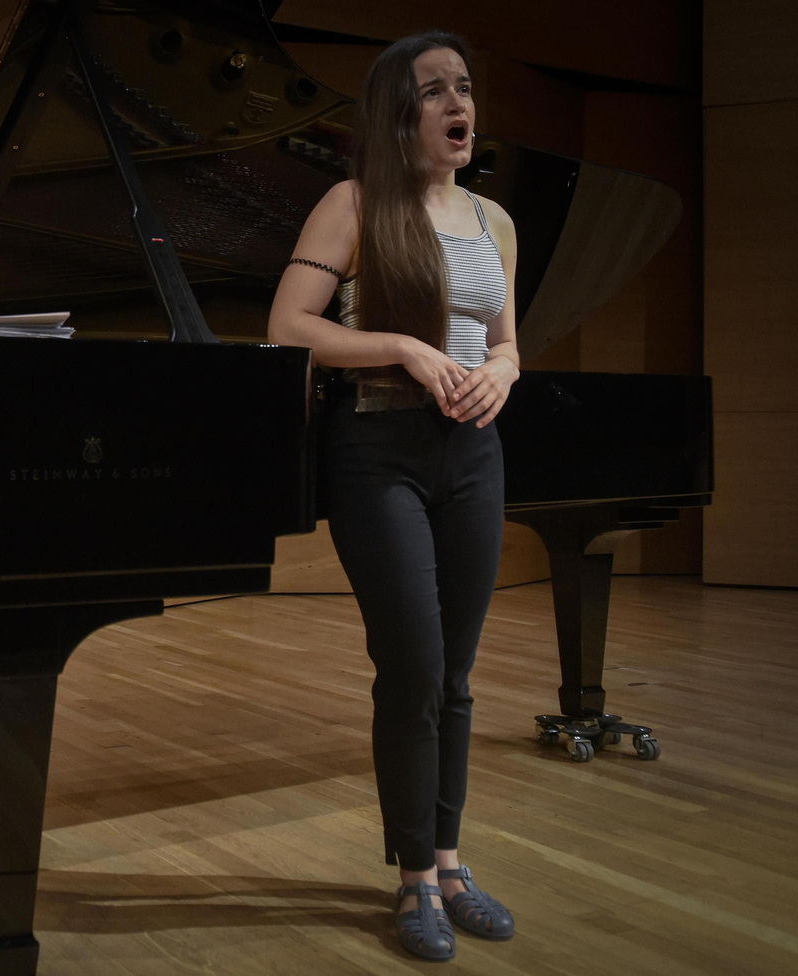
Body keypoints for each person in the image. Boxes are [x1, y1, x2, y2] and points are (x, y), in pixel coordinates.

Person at [267, 32, 519, 961]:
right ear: (397, 112)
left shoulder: (496, 221)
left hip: (474, 453)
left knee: (455, 672)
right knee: (413, 666)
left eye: (464, 86)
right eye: (433, 91)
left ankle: (451, 863)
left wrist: (502, 368)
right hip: (380, 449)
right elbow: (289, 325)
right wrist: (407, 348)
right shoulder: (355, 203)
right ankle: (414, 877)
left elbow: (507, 339)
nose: (458, 104)